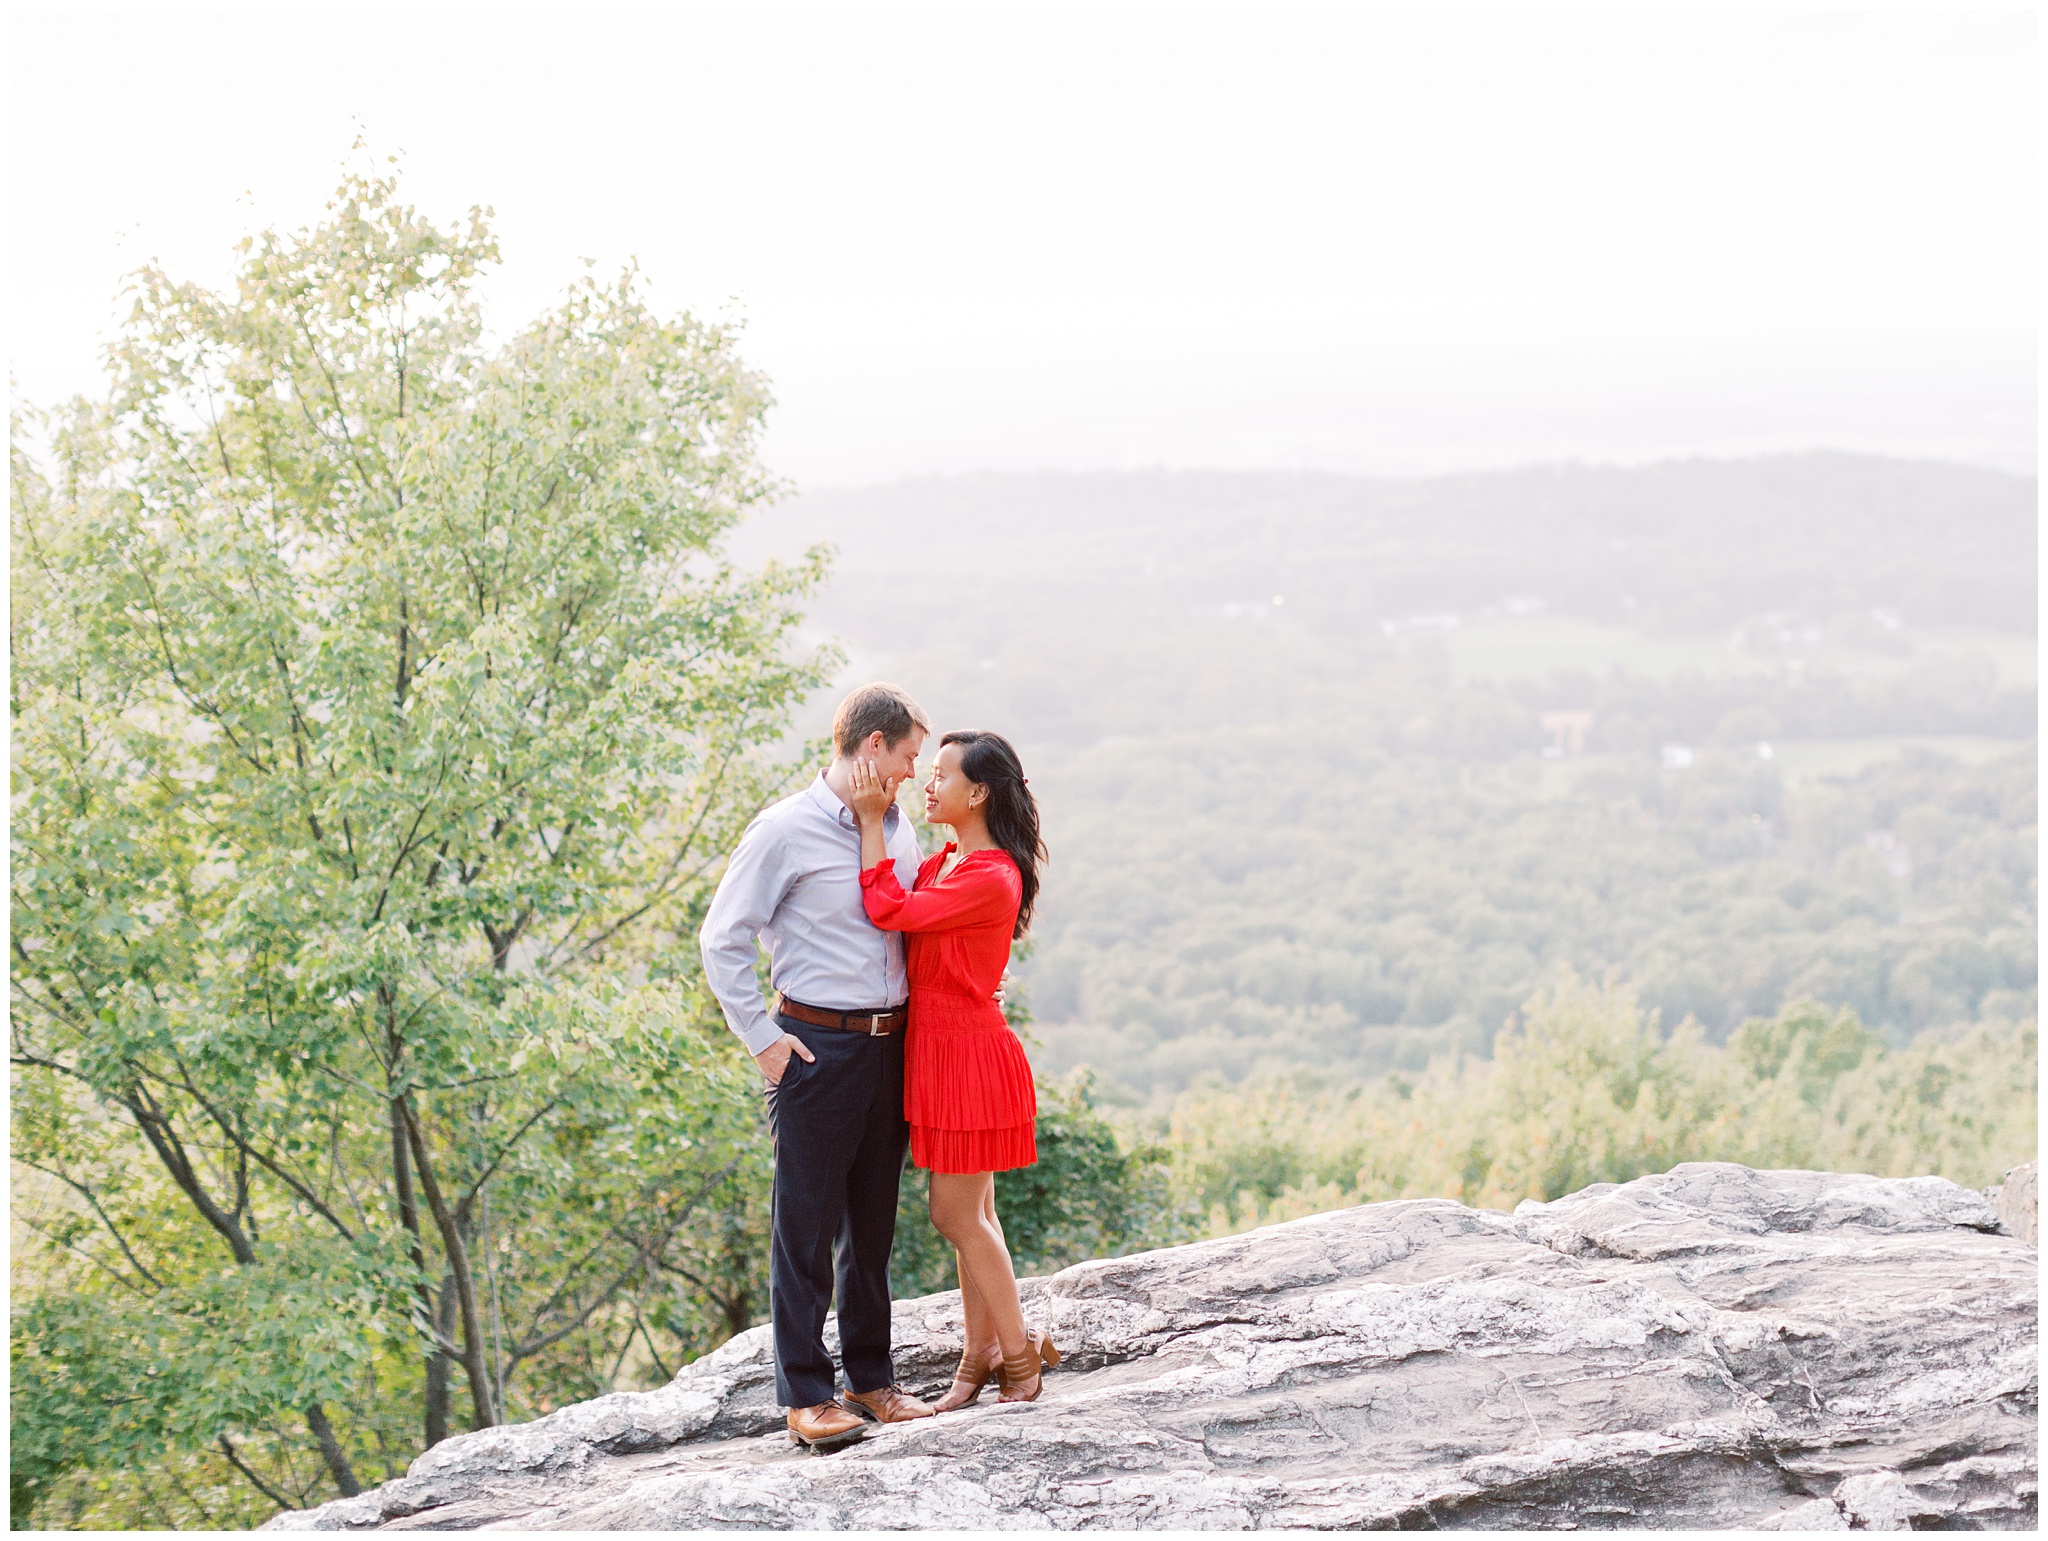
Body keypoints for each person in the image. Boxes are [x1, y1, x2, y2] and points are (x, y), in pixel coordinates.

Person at [699, 683, 935, 1451]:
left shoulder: (898, 831)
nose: (910, 773)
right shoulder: (784, 831)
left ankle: (871, 1378)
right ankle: (806, 1394)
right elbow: (721, 939)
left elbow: (905, 927)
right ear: (873, 746)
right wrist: (762, 1038)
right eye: (905, 757)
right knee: (802, 1227)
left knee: (871, 1227)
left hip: (891, 1044)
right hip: (816, 1047)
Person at [846, 729, 1060, 1406]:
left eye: (941, 775)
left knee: (955, 1215)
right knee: (975, 1215)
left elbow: (886, 907)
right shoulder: (950, 862)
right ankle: (980, 1354)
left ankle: (1021, 1359)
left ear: (979, 793)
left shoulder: (991, 875)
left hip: (966, 1055)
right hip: (942, 1050)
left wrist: (871, 821)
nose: (929, 784)